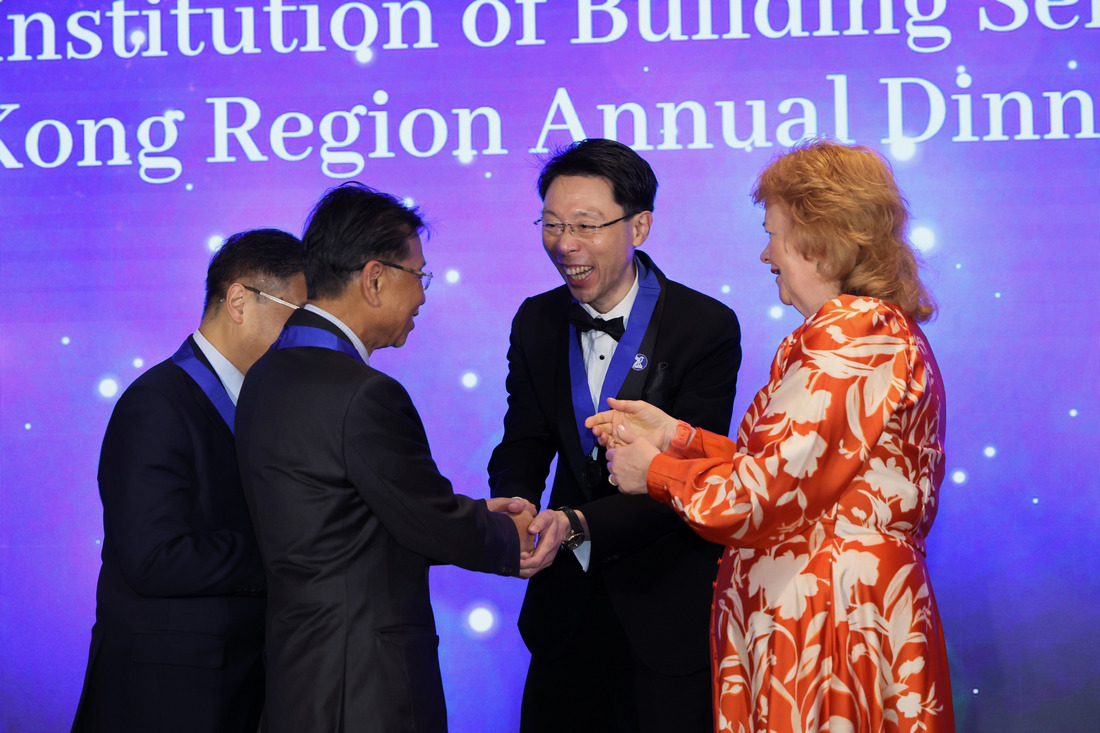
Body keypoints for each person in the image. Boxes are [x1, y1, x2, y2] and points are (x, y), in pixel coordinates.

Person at [592, 139, 955, 732]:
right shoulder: (860, 334)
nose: (766, 254)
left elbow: (757, 497)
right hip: (828, 611)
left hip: (829, 624)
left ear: (819, 239)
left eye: (773, 233)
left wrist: (654, 473)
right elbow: (795, 472)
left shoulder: (853, 337)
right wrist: (679, 438)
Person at [235, 182, 535, 733]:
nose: (422, 295)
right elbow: (427, 520)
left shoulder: (265, 375)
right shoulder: (362, 393)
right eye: (418, 275)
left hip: (298, 678)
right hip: (365, 688)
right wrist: (509, 535)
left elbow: (353, 516)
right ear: (374, 278)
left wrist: (471, 514)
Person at [489, 138, 743, 732]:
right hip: (564, 609)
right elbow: (524, 438)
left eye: (585, 225)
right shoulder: (536, 319)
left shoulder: (704, 325)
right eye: (552, 224)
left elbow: (694, 475)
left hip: (664, 609)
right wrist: (516, 507)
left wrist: (578, 524)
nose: (565, 244)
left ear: (639, 226)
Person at [71, 229, 307, 733]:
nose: (303, 335)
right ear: (239, 301)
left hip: (239, 688)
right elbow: (155, 558)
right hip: (166, 695)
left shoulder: (269, 403)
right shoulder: (156, 403)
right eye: (297, 315)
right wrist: (287, 552)